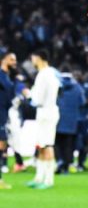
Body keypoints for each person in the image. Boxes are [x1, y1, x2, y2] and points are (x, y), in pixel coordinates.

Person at [22, 50, 61, 190]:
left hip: (46, 112)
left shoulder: (43, 75)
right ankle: (39, 177)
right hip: (48, 111)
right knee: (41, 145)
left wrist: (28, 94)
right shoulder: (51, 73)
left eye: (33, 58)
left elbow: (38, 99)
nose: (32, 60)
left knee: (47, 145)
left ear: (39, 58)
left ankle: (49, 180)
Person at [54, 70, 86, 174]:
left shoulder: (57, 86)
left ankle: (59, 161)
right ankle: (66, 167)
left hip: (58, 119)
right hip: (72, 121)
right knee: (68, 145)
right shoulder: (77, 87)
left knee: (57, 143)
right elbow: (82, 102)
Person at [0, 49, 16, 189]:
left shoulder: (7, 77)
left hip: (3, 114)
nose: (14, 62)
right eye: (11, 59)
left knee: (2, 145)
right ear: (3, 60)